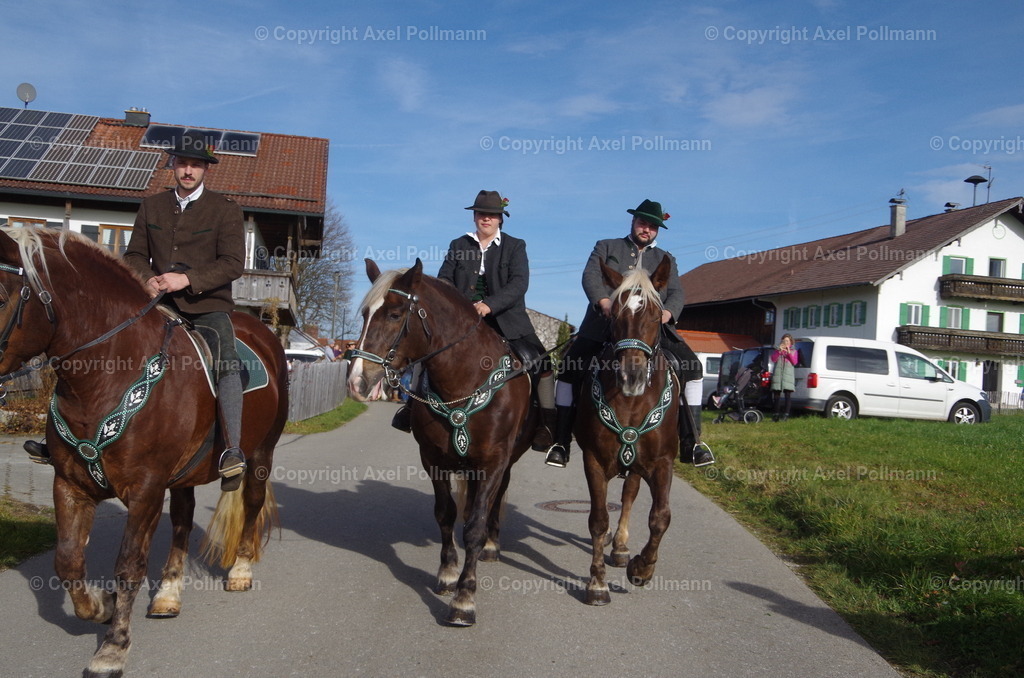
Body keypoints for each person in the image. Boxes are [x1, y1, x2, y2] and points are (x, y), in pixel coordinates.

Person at [544, 199, 714, 469]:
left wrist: (668, 312)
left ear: (657, 230)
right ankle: (561, 442)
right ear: (633, 222)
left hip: (651, 329)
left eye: (653, 226)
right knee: (568, 369)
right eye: (642, 222)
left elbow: (677, 292)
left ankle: (691, 442)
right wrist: (604, 302)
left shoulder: (666, 259)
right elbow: (590, 276)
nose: (646, 229)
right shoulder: (607, 246)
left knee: (692, 368)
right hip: (604, 326)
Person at [123, 130, 248, 490]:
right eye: (182, 163)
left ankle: (232, 451)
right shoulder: (152, 205)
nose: (188, 170)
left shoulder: (226, 210)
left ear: (206, 169)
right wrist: (147, 279)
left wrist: (186, 279)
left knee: (225, 360)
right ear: (173, 166)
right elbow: (133, 255)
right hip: (156, 303)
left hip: (206, 306)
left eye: (196, 165)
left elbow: (232, 264)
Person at [391, 190, 556, 451]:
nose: (486, 219)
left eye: (492, 215)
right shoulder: (459, 245)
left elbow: (519, 283)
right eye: (481, 214)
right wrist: (458, 308)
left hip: (506, 320)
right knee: (425, 356)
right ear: (475, 216)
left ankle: (546, 426)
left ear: (501, 219)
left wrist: (489, 305)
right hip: (460, 322)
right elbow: (444, 279)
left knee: (542, 363)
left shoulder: (515, 246)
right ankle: (410, 408)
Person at [770, 334, 798, 421]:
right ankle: (776, 414)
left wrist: (789, 352)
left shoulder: (793, 351)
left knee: (787, 395)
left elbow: (794, 362)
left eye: (787, 341)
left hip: (788, 376)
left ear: (790, 342)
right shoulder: (778, 351)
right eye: (783, 341)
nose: (785, 343)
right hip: (778, 376)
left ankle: (786, 415)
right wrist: (779, 351)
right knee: (776, 395)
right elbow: (773, 359)